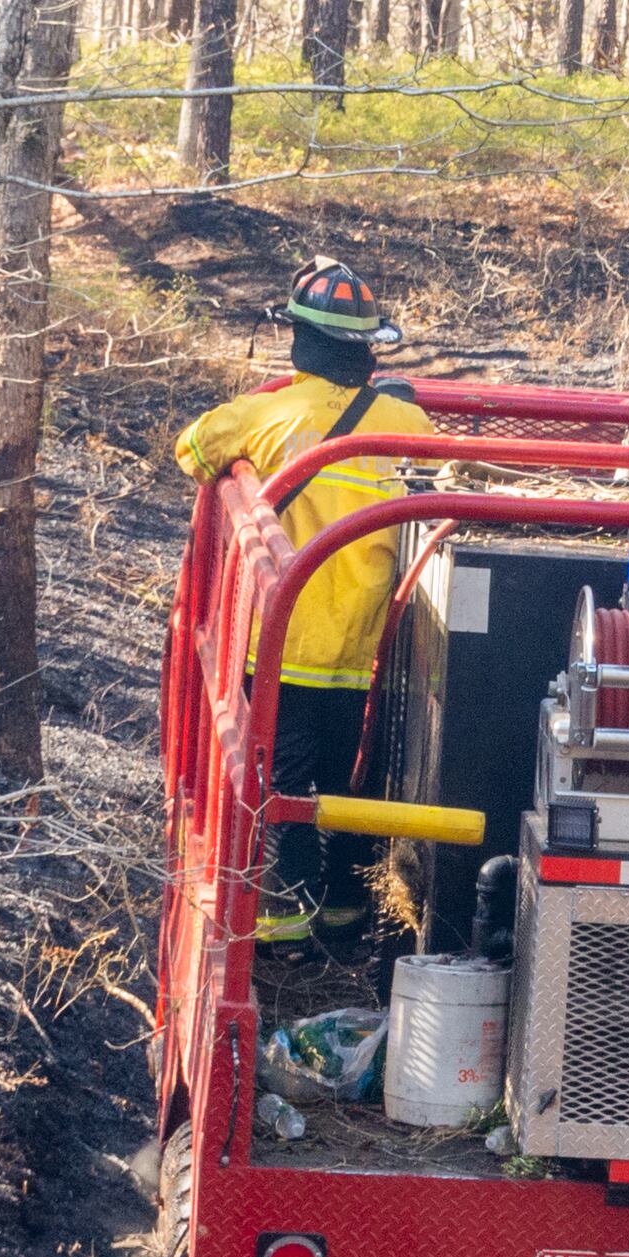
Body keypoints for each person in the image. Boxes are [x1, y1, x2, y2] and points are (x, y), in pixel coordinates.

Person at [174, 260, 440, 954]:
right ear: (367, 347)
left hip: (282, 647)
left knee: (283, 786)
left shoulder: (268, 413)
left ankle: (286, 921)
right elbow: (448, 483)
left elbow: (194, 448)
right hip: (368, 654)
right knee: (350, 786)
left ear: (300, 341)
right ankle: (347, 920)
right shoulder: (406, 421)